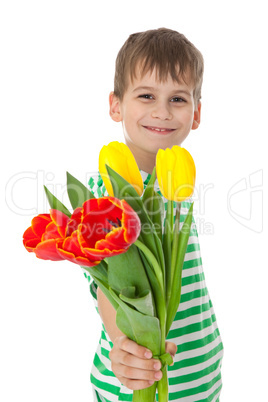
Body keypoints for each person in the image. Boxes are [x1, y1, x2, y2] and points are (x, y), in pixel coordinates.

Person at [84, 27, 223, 402]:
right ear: (116, 105)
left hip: (200, 370)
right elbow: (108, 284)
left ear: (196, 114)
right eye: (146, 95)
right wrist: (123, 344)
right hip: (134, 377)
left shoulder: (175, 180)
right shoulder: (107, 193)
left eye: (177, 98)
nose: (162, 112)